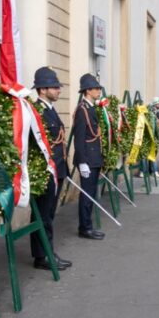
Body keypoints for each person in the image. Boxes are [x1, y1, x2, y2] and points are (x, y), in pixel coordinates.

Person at [30, 67, 71, 270]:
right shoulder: (37, 111)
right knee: (43, 214)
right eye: (55, 87)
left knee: (48, 214)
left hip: (58, 169)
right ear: (43, 89)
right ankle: (43, 255)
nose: (59, 90)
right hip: (47, 171)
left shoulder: (50, 109)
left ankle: (45, 251)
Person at [73, 73, 106, 241]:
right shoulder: (82, 110)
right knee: (86, 194)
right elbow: (79, 138)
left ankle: (87, 225)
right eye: (95, 88)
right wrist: (82, 161)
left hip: (94, 157)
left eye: (98, 88)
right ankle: (85, 227)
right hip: (87, 158)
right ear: (87, 91)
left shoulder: (91, 107)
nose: (98, 90)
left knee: (91, 193)